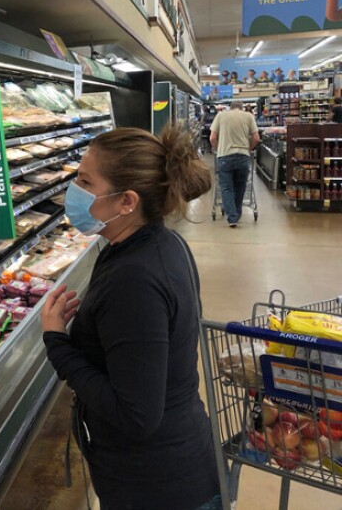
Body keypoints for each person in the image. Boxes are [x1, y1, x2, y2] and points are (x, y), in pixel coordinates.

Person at [41, 126, 219, 510]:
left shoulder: (135, 278)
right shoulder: (158, 242)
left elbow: (136, 416)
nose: (74, 189)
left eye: (85, 181)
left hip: (157, 487)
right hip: (172, 465)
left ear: (127, 202)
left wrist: (57, 341)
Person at [210, 100, 259, 227]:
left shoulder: (220, 115)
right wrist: (248, 149)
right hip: (243, 156)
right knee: (240, 187)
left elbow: (212, 138)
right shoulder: (248, 116)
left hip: (224, 156)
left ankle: (232, 217)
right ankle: (237, 213)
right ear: (241, 108)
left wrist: (218, 149)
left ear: (230, 108)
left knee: (226, 188)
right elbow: (256, 138)